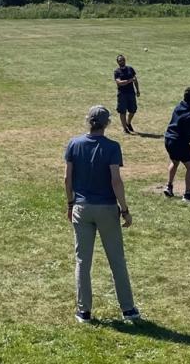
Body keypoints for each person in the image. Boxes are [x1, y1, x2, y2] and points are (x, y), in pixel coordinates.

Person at [64, 105, 140, 323]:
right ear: (107, 124)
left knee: (82, 262)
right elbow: (116, 181)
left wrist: (70, 205)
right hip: (107, 208)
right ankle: (128, 310)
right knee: (117, 260)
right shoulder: (112, 147)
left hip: (81, 208)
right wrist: (124, 209)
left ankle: (83, 311)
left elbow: (67, 179)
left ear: (88, 121)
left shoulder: (74, 144)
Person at [113, 54, 140, 134]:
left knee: (133, 110)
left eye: (123, 60)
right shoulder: (117, 72)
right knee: (122, 111)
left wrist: (137, 90)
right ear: (118, 62)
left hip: (131, 93)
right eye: (120, 60)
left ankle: (128, 123)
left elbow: (135, 80)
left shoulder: (130, 69)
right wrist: (129, 80)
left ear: (125, 60)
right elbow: (119, 83)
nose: (122, 61)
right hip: (122, 94)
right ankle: (125, 128)